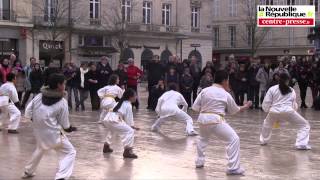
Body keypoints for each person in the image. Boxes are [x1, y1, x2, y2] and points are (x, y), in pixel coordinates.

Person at [192, 70, 252, 175]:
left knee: (202, 139)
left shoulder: (205, 90)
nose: (228, 82)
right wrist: (246, 106)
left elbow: (195, 108)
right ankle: (233, 168)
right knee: (234, 139)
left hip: (202, 118)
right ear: (224, 81)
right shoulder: (225, 94)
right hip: (215, 119)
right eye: (228, 80)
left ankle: (199, 161)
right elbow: (235, 110)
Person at [22, 73, 77, 180]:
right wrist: (70, 129)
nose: (65, 86)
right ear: (59, 85)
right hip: (54, 134)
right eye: (64, 84)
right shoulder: (62, 102)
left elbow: (28, 111)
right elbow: (65, 124)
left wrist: (37, 121)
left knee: (41, 148)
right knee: (70, 152)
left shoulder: (38, 96)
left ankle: (28, 171)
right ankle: (61, 176)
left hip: (39, 132)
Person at [260, 73, 311, 150]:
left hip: (273, 111)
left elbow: (266, 103)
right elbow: (294, 105)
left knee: (266, 124)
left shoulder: (272, 89)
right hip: (288, 111)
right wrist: (293, 113)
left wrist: (267, 110)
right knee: (304, 125)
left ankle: (263, 141)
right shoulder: (291, 90)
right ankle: (301, 144)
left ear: (279, 79)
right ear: (288, 81)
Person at [102, 88, 139, 158]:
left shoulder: (118, 102)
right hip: (114, 119)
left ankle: (106, 146)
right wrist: (132, 126)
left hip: (107, 119)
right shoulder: (128, 105)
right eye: (135, 95)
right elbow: (128, 119)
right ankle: (127, 151)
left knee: (112, 131)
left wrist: (130, 125)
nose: (136, 97)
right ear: (130, 97)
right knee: (130, 131)